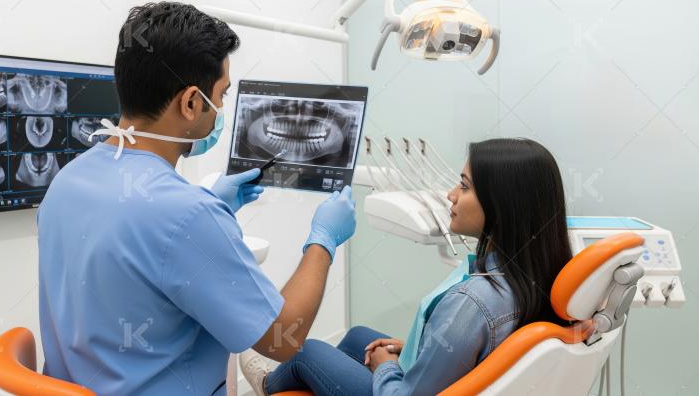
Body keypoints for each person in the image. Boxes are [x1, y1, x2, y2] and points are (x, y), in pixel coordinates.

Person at [37, 2, 356, 395]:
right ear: (190, 102)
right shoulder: (186, 215)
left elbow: (134, 262)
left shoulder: (68, 180)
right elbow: (283, 339)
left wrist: (212, 204)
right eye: (220, 95)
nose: (221, 109)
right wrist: (323, 239)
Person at [241, 138, 574, 396]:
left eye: (464, 185)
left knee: (307, 353)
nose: (450, 195)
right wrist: (425, 348)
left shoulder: (472, 302)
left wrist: (387, 369)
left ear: (503, 205)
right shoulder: (538, 273)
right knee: (359, 337)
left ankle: (270, 384)